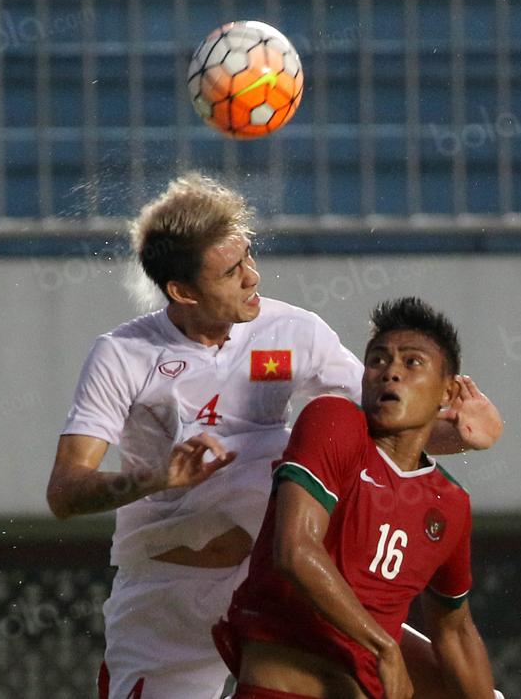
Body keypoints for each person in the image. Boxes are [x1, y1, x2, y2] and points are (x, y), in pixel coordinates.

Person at [46, 174, 503, 699]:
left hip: (281, 580)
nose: (253, 277)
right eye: (232, 271)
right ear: (183, 291)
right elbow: (65, 492)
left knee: (463, 688)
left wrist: (461, 433)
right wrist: (157, 476)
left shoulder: (294, 331)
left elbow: (385, 427)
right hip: (168, 595)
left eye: (248, 258)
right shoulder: (122, 355)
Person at [213, 297, 498, 699]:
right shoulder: (335, 422)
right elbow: (294, 551)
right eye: (378, 360)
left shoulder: (450, 504)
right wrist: (384, 648)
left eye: (412, 362)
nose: (390, 372)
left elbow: (454, 631)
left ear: (447, 392)